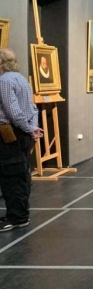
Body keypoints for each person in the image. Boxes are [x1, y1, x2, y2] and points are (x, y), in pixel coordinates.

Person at [0, 49, 43, 232]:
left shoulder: (4, 81)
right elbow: (32, 109)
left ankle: (17, 217)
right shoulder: (21, 79)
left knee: (12, 178)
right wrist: (32, 128)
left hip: (11, 135)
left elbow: (14, 112)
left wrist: (28, 128)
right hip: (22, 134)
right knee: (21, 176)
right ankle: (18, 214)